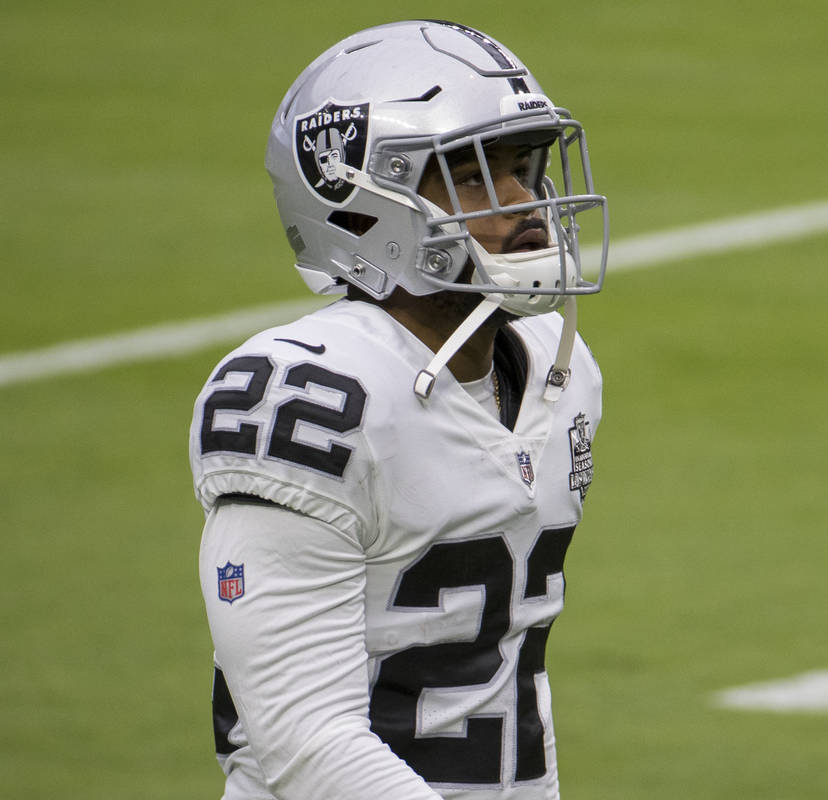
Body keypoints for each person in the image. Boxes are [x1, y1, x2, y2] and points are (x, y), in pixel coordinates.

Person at [188, 20, 608, 799]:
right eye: (479, 178)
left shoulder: (560, 364)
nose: (527, 205)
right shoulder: (306, 402)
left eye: (525, 168)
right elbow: (304, 742)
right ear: (360, 204)